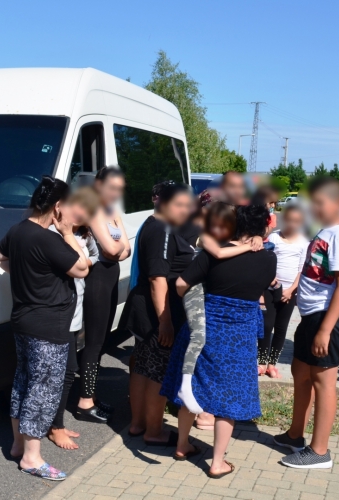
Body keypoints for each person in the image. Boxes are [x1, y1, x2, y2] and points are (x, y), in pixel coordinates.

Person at [163, 204, 276, 478]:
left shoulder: (214, 253)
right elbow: (265, 286)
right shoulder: (268, 259)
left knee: (192, 388)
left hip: (205, 327)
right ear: (264, 226)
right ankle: (217, 462)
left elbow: (181, 284)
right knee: (229, 397)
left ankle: (181, 445)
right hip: (239, 335)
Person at [0, 176, 90, 481]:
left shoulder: (18, 230)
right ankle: (31, 458)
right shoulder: (49, 239)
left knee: (23, 381)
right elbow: (82, 268)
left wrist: (25, 272)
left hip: (23, 321)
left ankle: (17, 445)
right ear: (58, 206)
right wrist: (68, 233)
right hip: (49, 326)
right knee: (43, 389)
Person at [275, 177, 339, 469]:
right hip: (312, 316)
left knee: (324, 382)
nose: (314, 209)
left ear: (337, 203)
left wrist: (325, 330)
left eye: (319, 203)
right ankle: (295, 435)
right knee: (301, 372)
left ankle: (320, 451)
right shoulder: (326, 230)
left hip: (328, 318)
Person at [120, 183, 194, 445]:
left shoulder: (154, 225)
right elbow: (157, 278)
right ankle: (154, 430)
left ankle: (138, 423)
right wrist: (166, 322)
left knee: (142, 366)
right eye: (179, 205)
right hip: (157, 311)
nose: (184, 210)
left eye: (187, 205)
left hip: (147, 309)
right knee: (157, 371)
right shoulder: (162, 229)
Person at [47, 187, 101, 450]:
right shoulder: (53, 233)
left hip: (74, 311)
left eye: (88, 211)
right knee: (60, 371)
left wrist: (85, 264)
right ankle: (54, 426)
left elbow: (94, 257)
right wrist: (79, 264)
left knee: (68, 370)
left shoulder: (83, 234)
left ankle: (56, 423)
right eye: (80, 207)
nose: (82, 214)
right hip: (57, 313)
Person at [77, 166, 131, 423]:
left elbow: (126, 250)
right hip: (97, 279)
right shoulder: (94, 209)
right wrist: (118, 247)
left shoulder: (111, 211)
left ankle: (92, 394)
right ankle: (85, 401)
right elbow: (110, 250)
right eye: (111, 188)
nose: (115, 193)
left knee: (103, 340)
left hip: (111, 277)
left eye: (119, 189)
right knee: (94, 342)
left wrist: (117, 247)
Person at [259, 205, 309, 378]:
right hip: (270, 289)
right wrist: (272, 282)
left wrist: (291, 290)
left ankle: (272, 364)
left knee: (281, 328)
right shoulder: (274, 237)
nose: (292, 224)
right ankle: (261, 362)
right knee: (267, 326)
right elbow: (266, 261)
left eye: (296, 221)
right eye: (289, 220)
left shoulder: (304, 242)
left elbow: (302, 270)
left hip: (289, 293)